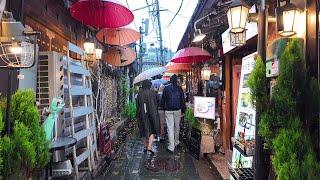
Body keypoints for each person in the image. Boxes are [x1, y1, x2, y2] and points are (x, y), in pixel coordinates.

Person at [161, 74, 186, 153]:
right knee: (177, 126)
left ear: (170, 80)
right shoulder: (179, 89)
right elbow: (182, 100)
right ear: (177, 81)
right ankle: (176, 142)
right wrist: (183, 110)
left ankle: (171, 147)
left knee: (170, 127)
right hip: (177, 110)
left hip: (168, 110)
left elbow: (163, 100)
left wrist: (163, 108)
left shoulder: (166, 88)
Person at [136, 80, 160, 155]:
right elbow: (158, 102)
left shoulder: (139, 94)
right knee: (152, 130)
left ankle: (145, 146)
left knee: (143, 130)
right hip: (152, 115)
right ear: (150, 85)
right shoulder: (153, 93)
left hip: (142, 115)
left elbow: (137, 105)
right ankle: (149, 146)